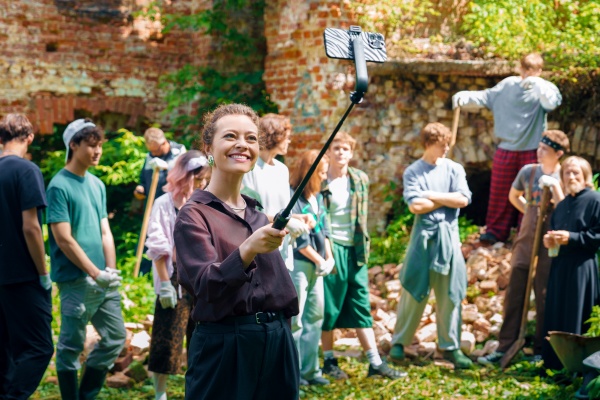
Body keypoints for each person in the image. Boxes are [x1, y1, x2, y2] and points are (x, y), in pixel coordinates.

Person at [174, 104, 300, 399]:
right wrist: (248, 249)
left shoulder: (257, 214)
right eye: (230, 136)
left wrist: (281, 333)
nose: (242, 144)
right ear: (208, 148)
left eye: (251, 138)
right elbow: (205, 286)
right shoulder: (193, 214)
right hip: (226, 347)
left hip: (278, 343)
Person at [47, 118, 126, 400]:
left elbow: (105, 231)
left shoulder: (97, 184)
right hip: (76, 280)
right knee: (71, 346)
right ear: (74, 145)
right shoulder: (59, 186)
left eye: (100, 146)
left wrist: (110, 271)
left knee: (115, 338)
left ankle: (86, 395)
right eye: (91, 145)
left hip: (103, 279)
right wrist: (95, 272)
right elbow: (63, 239)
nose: (98, 151)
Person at [478, 130, 569, 365]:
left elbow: (566, 209)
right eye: (539, 147)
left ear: (558, 154)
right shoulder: (528, 172)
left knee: (544, 290)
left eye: (545, 149)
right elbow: (514, 196)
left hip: (551, 237)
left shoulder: (564, 175)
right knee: (516, 285)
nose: (539, 152)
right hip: (528, 234)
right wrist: (530, 213)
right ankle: (505, 345)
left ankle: (541, 349)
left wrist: (555, 187)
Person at [320, 132, 405, 380]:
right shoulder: (321, 180)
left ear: (352, 153)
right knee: (330, 307)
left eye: (345, 149)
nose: (340, 152)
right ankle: (328, 360)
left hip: (355, 249)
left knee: (361, 303)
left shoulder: (359, 179)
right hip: (331, 246)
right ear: (329, 152)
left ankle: (375, 362)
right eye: (336, 148)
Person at [452, 53, 562, 244]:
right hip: (506, 148)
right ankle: (495, 232)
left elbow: (551, 103)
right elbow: (486, 97)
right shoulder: (508, 85)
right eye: (525, 69)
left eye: (532, 70)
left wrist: (538, 86)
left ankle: (524, 231)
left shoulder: (545, 88)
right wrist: (465, 96)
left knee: (529, 194)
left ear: (539, 71)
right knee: (500, 192)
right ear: (520, 68)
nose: (527, 74)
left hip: (532, 150)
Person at [388, 123, 473, 369]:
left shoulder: (454, 169)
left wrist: (431, 195)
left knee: (450, 293)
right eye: (441, 144)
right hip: (423, 238)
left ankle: (450, 346)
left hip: (449, 238)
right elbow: (416, 206)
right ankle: (399, 342)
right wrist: (447, 199)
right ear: (428, 144)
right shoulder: (414, 171)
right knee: (414, 288)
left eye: (447, 144)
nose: (446, 148)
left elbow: (463, 199)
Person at [145, 150, 210, 400]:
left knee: (200, 338)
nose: (202, 184)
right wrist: (164, 284)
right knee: (167, 337)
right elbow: (158, 246)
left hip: (201, 278)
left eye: (205, 179)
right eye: (198, 179)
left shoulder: (204, 203)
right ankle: (160, 393)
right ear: (185, 176)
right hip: (173, 278)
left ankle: (197, 390)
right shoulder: (164, 204)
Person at [0, 114, 54, 400]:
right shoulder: (26, 170)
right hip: (22, 274)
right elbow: (31, 227)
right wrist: (43, 273)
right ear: (30, 137)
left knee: (4, 348)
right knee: (39, 347)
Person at [542, 156, 600, 370]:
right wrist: (550, 241)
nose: (571, 176)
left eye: (576, 172)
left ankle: (578, 367)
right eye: (567, 173)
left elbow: (597, 236)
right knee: (557, 312)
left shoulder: (595, 200)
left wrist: (571, 238)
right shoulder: (562, 205)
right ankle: (555, 364)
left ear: (585, 176)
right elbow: (556, 232)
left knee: (577, 314)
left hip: (582, 268)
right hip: (560, 266)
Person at [242, 113, 312, 271]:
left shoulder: (282, 170)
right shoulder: (250, 168)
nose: (289, 141)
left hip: (283, 248)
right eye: (286, 137)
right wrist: (285, 221)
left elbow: (280, 210)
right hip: (259, 247)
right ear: (274, 136)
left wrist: (296, 218)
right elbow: (249, 211)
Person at [289, 150, 334, 387]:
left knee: (315, 316)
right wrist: (319, 260)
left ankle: (311, 371)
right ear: (311, 172)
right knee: (296, 319)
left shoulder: (318, 197)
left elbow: (324, 230)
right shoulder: (294, 197)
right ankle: (293, 373)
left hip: (319, 265)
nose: (325, 177)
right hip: (300, 264)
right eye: (322, 173)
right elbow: (300, 240)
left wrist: (329, 257)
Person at [134, 127, 186, 201]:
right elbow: (144, 180)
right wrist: (141, 188)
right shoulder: (150, 156)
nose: (153, 154)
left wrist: (166, 168)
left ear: (164, 143)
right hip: (152, 203)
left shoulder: (179, 152)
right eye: (151, 151)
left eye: (156, 150)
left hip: (172, 202)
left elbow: (183, 179)